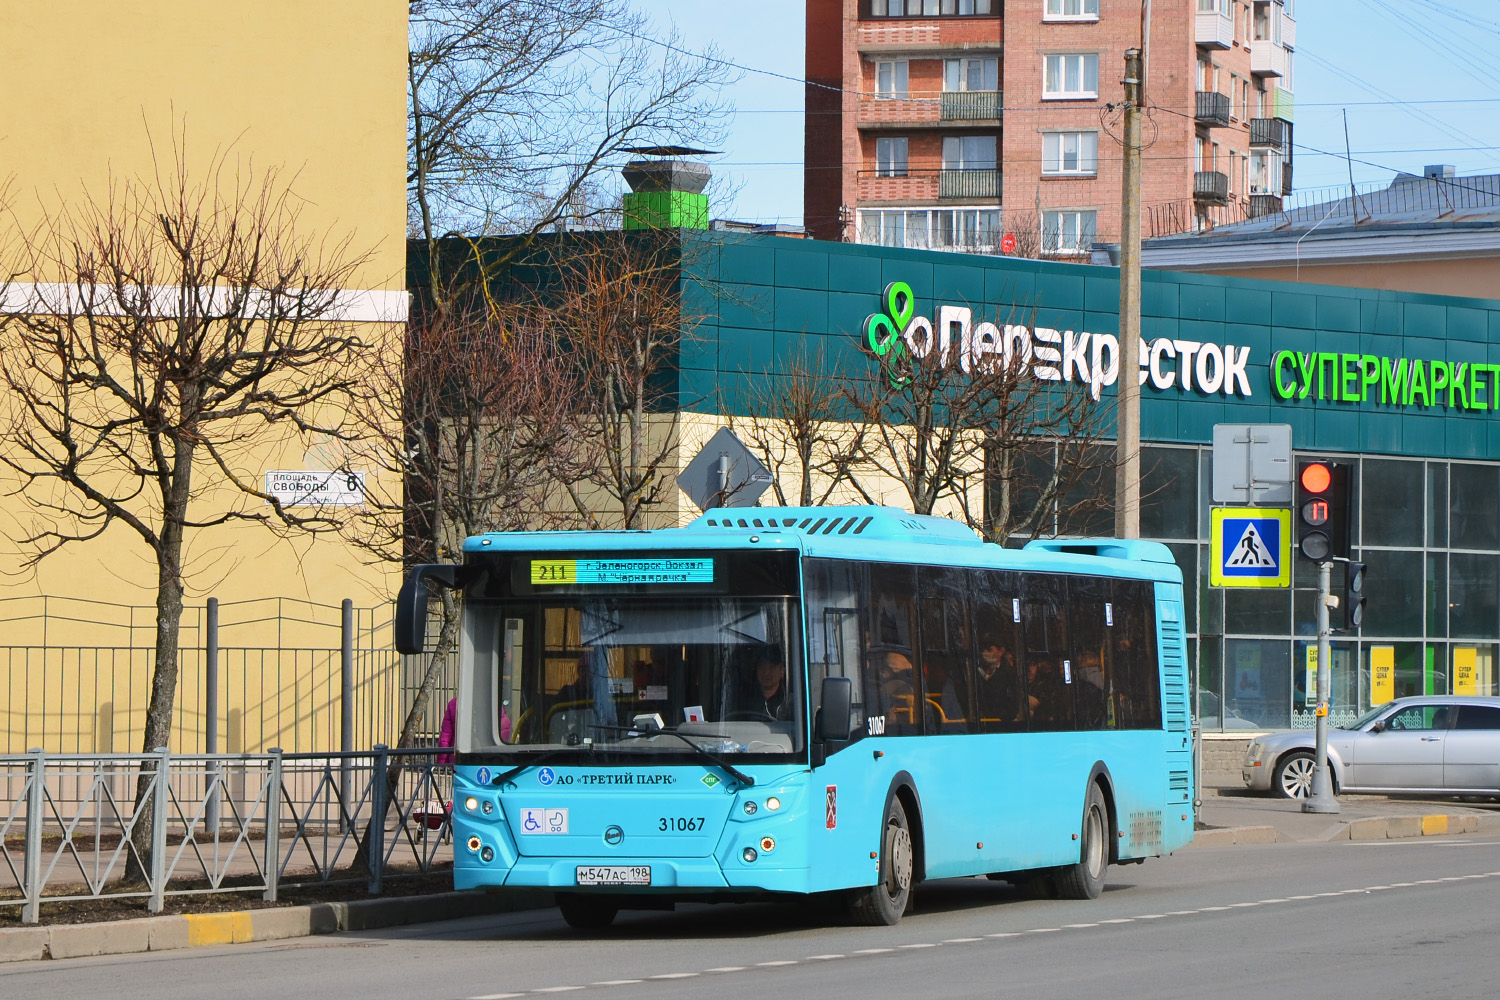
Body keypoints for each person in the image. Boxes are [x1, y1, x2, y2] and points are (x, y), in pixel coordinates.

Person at [752, 650, 792, 721]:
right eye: (762, 666)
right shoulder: (746, 701)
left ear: (782, 670)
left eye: (772, 667)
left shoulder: (790, 703)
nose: (766, 672)